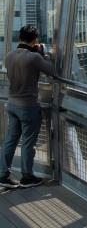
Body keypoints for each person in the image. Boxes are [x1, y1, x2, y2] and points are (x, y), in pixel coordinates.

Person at [0, 25, 54, 188]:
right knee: (28, 143)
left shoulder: (9, 55)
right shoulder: (34, 57)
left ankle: (3, 175)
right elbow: (52, 71)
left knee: (10, 140)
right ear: (35, 40)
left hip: (12, 104)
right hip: (28, 106)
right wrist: (43, 54)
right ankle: (27, 177)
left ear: (21, 37)